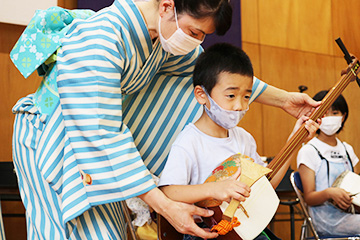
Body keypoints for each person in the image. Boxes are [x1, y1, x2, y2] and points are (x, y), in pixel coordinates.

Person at [10, 0, 320, 239]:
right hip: (51, 138)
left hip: (96, 150)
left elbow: (217, 74)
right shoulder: (102, 38)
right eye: (195, 32)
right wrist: (166, 206)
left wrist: (283, 100)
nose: (196, 41)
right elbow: (103, 134)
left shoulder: (160, 36)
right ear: (168, 5)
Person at [158, 43, 320, 240]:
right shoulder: (189, 141)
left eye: (246, 97)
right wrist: (213, 189)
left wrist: (294, 141)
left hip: (243, 232)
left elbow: (266, 185)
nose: (239, 106)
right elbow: (169, 191)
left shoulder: (244, 139)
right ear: (202, 95)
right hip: (206, 233)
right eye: (231, 95)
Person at [297, 90, 360, 236]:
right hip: (326, 220)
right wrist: (330, 193)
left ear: (343, 116)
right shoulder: (309, 151)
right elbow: (309, 198)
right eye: (324, 114)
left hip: (351, 215)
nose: (330, 118)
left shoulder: (347, 150)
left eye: (335, 112)